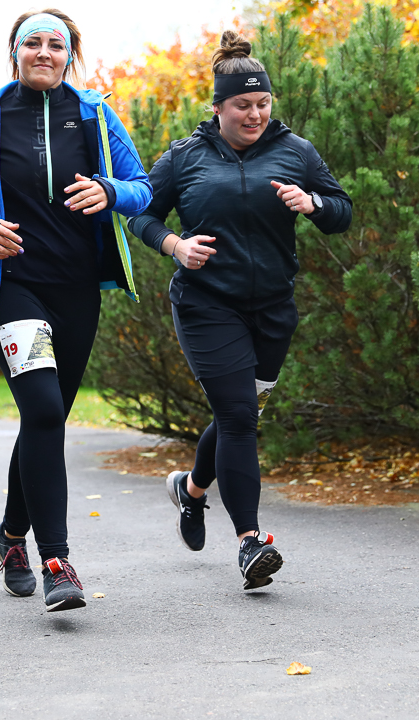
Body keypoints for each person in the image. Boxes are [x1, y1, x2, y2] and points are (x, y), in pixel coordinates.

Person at [0, 9, 152, 612]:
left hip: (76, 290)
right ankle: (58, 561)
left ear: (71, 56)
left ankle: (9, 538)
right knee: (45, 406)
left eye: (58, 45)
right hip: (11, 289)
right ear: (15, 51)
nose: (45, 52)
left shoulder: (96, 116)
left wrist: (110, 192)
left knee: (44, 419)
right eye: (34, 43)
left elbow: (142, 187)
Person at [128, 30, 352, 590]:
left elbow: (342, 210)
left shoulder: (296, 151)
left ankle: (192, 488)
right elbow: (139, 214)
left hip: (273, 308)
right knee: (237, 418)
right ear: (219, 107)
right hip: (206, 304)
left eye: (263, 103)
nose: (255, 114)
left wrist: (314, 203)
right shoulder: (185, 156)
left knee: (242, 414)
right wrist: (176, 246)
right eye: (242, 105)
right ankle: (250, 541)